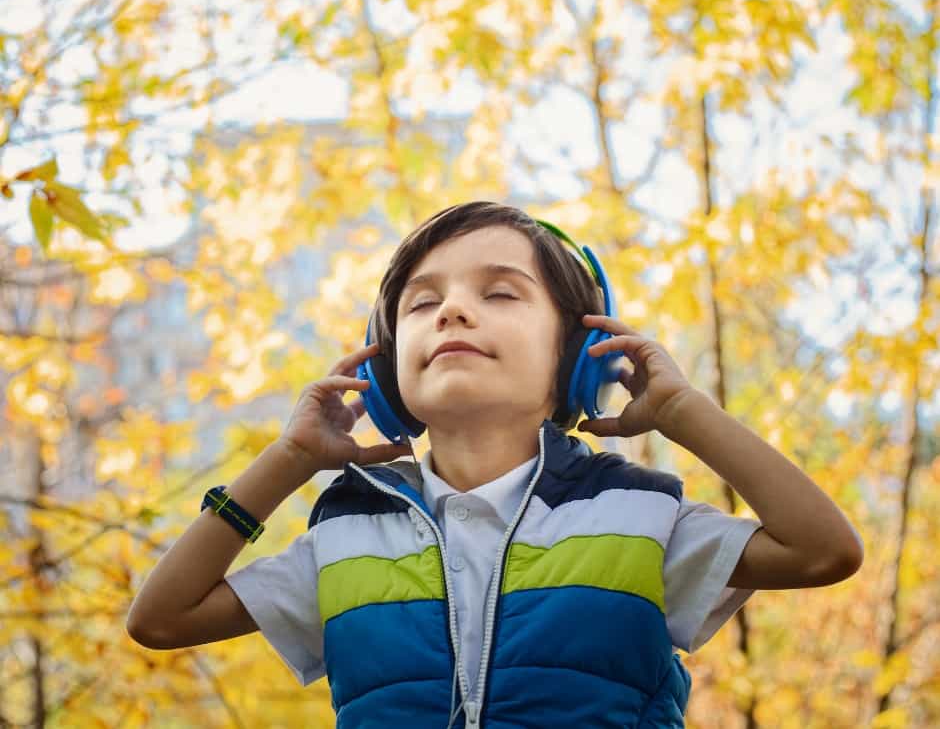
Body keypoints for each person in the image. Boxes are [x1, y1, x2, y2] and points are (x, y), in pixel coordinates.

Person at [126, 201, 864, 728]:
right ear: (385, 377)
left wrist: (681, 411)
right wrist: (288, 462)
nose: (450, 311)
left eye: (500, 292)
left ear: (576, 359)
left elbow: (823, 549)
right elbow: (160, 618)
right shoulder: (346, 539)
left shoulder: (638, 518)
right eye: (421, 304)